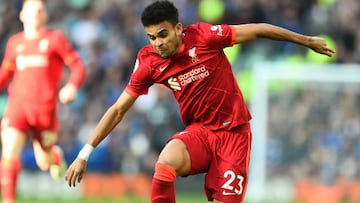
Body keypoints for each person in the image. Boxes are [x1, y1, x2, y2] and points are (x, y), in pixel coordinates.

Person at [65, 1, 335, 202]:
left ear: (178, 29)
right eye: (151, 37)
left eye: (162, 35)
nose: (157, 43)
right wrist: (84, 154)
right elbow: (118, 109)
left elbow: (258, 30)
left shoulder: (205, 37)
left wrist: (306, 41)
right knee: (165, 162)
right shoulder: (149, 62)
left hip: (234, 135)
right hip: (200, 133)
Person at [0, 0, 86, 203]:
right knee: (10, 148)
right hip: (18, 106)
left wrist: (72, 86)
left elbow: (78, 67)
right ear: (22, 15)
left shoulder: (55, 39)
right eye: (32, 10)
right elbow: (6, 73)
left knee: (44, 161)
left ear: (45, 16)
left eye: (40, 11)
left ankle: (54, 157)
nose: (36, 14)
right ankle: (9, 199)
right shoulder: (15, 43)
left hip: (45, 111)